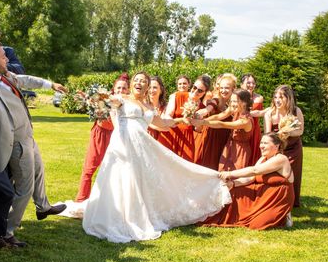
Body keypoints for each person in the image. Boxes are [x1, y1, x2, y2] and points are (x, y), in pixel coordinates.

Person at [82, 72, 231, 243]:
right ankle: (115, 217)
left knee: (142, 179)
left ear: (147, 86)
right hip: (123, 146)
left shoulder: (148, 105)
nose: (140, 83)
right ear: (132, 84)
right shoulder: (122, 98)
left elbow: (163, 124)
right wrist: (97, 98)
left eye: (143, 81)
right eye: (137, 80)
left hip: (141, 148)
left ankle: (135, 215)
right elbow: (108, 101)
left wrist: (183, 120)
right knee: (121, 179)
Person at [0, 41, 66, 247]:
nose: (7, 59)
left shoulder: (6, 77)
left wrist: (50, 85)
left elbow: (25, 80)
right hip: (15, 143)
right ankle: (5, 230)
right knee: (24, 187)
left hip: (28, 137)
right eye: (2, 56)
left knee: (39, 172)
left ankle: (42, 207)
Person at [201, 133, 294, 230]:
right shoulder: (263, 158)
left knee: (258, 225)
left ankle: (285, 215)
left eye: (265, 143)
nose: (261, 146)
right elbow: (251, 178)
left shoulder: (281, 159)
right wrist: (233, 184)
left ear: (276, 145)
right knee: (234, 191)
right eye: (261, 142)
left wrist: (230, 173)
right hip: (262, 193)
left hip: (278, 197)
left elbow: (254, 170)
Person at [74, 75, 129, 203]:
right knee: (90, 167)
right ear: (114, 89)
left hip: (118, 136)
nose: (121, 90)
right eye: (119, 88)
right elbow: (92, 101)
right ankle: (81, 199)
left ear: (128, 90)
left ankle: (112, 201)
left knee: (115, 169)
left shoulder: (129, 102)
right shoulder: (105, 99)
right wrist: (87, 99)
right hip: (101, 134)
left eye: (124, 88)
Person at [191, 89, 253, 171]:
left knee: (233, 175)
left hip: (240, 150)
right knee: (222, 171)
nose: (233, 104)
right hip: (230, 145)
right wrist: (201, 121)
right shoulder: (234, 109)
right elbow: (218, 116)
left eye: (235, 101)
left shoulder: (245, 121)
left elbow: (221, 124)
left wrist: (202, 122)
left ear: (244, 103)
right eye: (232, 101)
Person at [264, 85, 304, 207]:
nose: (277, 100)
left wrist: (289, 132)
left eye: (281, 97)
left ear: (288, 98)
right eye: (275, 97)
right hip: (278, 150)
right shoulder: (270, 113)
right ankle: (277, 200)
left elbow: (301, 131)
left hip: (294, 148)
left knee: (292, 175)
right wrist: (277, 136)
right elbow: (268, 134)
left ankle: (292, 202)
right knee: (276, 175)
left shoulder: (296, 111)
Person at [164, 75, 210, 161]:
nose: (195, 91)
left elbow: (198, 130)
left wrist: (199, 120)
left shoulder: (202, 107)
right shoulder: (177, 96)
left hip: (187, 139)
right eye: (194, 87)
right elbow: (167, 115)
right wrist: (177, 121)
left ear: (204, 92)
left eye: (200, 90)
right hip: (171, 133)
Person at [194, 73, 235, 168]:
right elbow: (210, 107)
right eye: (222, 88)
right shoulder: (216, 99)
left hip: (226, 138)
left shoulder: (234, 102)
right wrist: (204, 111)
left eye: (227, 88)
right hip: (212, 138)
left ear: (233, 89)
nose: (223, 90)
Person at [241, 74, 265, 165]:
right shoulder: (237, 96)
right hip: (242, 128)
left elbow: (261, 113)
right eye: (248, 82)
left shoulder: (259, 98)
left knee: (254, 152)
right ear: (241, 84)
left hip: (255, 130)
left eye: (253, 83)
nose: (251, 85)